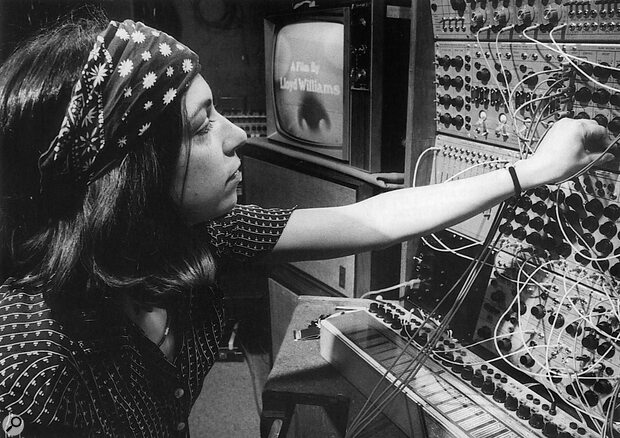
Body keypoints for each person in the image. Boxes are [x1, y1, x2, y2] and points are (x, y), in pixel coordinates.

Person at [0, 13, 613, 438]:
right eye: (202, 124)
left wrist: (529, 171)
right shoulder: (30, 364)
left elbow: (368, 216)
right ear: (131, 172)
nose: (238, 135)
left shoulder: (186, 234)